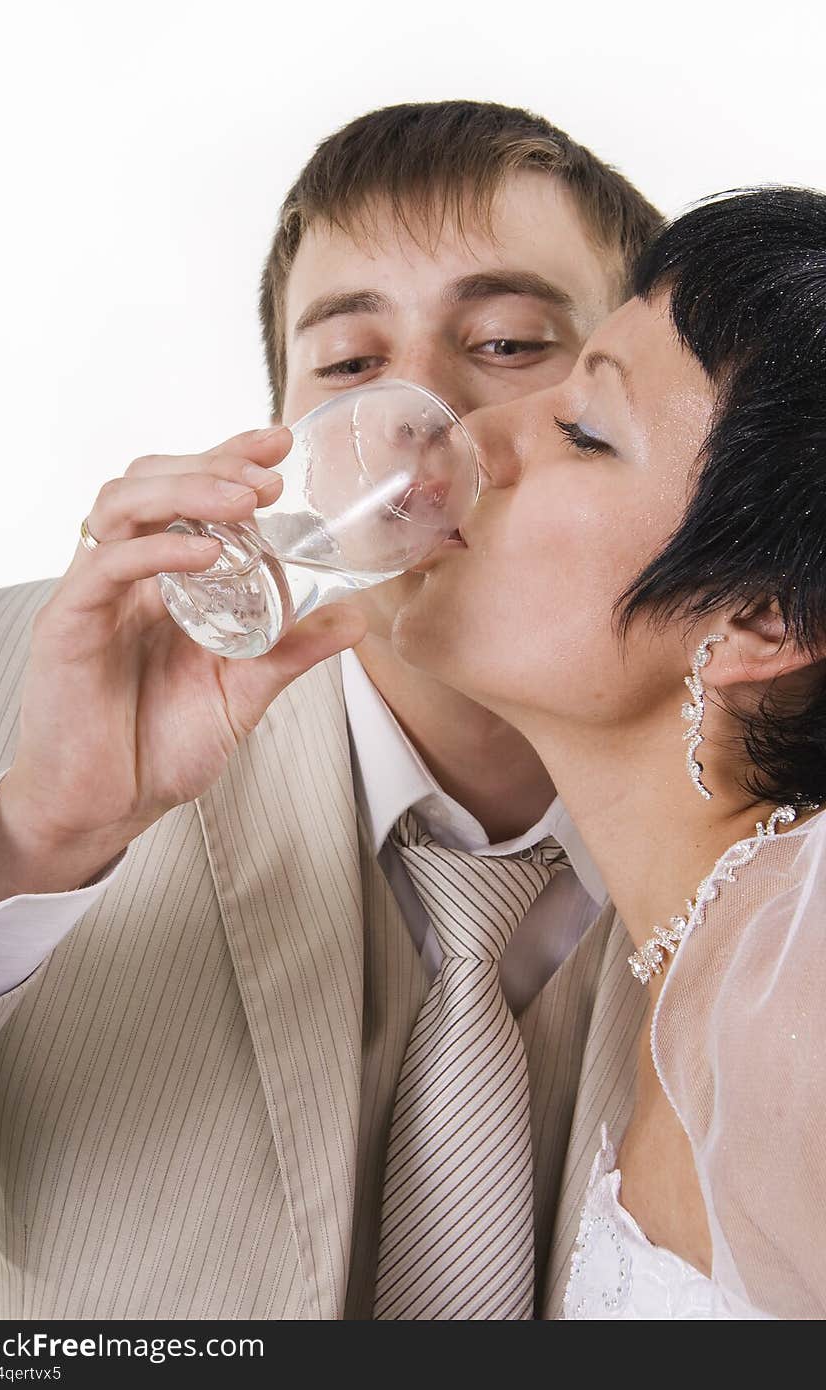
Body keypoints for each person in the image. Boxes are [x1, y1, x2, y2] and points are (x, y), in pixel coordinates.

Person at [0, 101, 660, 1319]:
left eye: (506, 343)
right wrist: (36, 839)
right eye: (346, 366)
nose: (417, 430)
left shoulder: (769, 774)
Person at [392, 184, 826, 1319]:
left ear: (759, 624)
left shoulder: (798, 996)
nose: (476, 433)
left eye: (584, 430)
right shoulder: (710, 956)